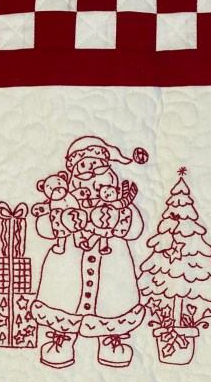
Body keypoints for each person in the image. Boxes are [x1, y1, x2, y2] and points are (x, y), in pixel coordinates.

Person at [30, 136, 148, 369]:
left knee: (113, 300)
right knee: (63, 298)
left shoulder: (118, 204)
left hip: (112, 262)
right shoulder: (62, 202)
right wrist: (62, 221)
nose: (91, 172)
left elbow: (135, 229)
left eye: (97, 166)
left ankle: (110, 339)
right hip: (67, 263)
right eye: (84, 167)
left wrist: (116, 218)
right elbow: (43, 227)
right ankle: (62, 337)